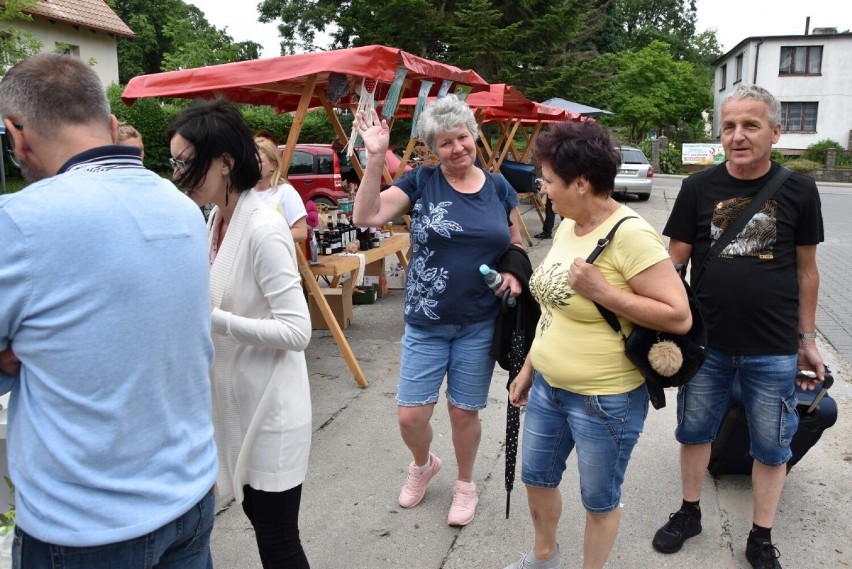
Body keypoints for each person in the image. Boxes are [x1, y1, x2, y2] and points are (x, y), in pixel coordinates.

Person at [0, 54, 218, 567]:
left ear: (16, 134)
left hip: (84, 526)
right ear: (112, 126)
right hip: (188, 496)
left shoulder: (20, 222)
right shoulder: (181, 207)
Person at [504, 120, 692, 569]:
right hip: (549, 386)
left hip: (605, 400)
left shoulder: (631, 235)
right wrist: (530, 369)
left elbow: (679, 316)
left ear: (581, 183)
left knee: (599, 498)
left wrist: (604, 292)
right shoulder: (571, 223)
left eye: (548, 180)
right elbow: (554, 308)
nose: (543, 189)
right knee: (536, 477)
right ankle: (544, 556)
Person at [652, 83, 825, 569]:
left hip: (773, 347)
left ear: (775, 131)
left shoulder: (800, 189)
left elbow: (806, 270)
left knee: (772, 445)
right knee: (694, 431)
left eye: (750, 125)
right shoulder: (697, 187)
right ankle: (689, 514)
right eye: (729, 126)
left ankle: (761, 535)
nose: (738, 135)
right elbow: (673, 265)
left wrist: (807, 340)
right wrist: (669, 325)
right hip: (706, 344)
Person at [352, 94, 523, 527]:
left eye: (462, 137)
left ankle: (465, 483)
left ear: (474, 136)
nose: (457, 148)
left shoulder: (499, 187)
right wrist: (375, 157)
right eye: (445, 143)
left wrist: (514, 275)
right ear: (432, 149)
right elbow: (366, 215)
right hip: (427, 322)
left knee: (464, 412)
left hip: (479, 322)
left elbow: (516, 244)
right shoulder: (421, 182)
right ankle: (424, 464)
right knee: (411, 416)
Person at [168, 99, 313, 569]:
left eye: (186, 163)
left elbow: (297, 330)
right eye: (173, 162)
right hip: (239, 404)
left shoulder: (264, 226)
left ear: (225, 163)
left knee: (277, 540)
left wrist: (213, 318)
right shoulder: (216, 219)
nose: (176, 174)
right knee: (263, 525)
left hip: (272, 410)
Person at [254, 137, 309, 243]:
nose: (253, 165)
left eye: (259, 162)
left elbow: (301, 232)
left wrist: (269, 239)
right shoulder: (244, 193)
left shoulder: (285, 192)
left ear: (273, 165)